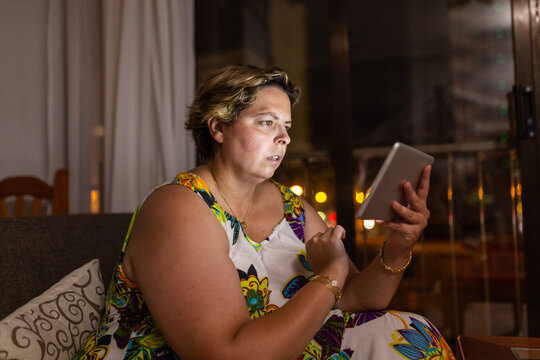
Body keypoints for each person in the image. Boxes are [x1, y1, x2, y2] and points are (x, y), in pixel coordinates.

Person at [76, 64, 454, 360]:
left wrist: (399, 245)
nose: (284, 137)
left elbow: (358, 299)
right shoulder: (178, 207)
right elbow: (226, 355)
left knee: (409, 331)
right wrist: (330, 274)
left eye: (286, 126)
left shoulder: (289, 205)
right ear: (218, 128)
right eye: (266, 122)